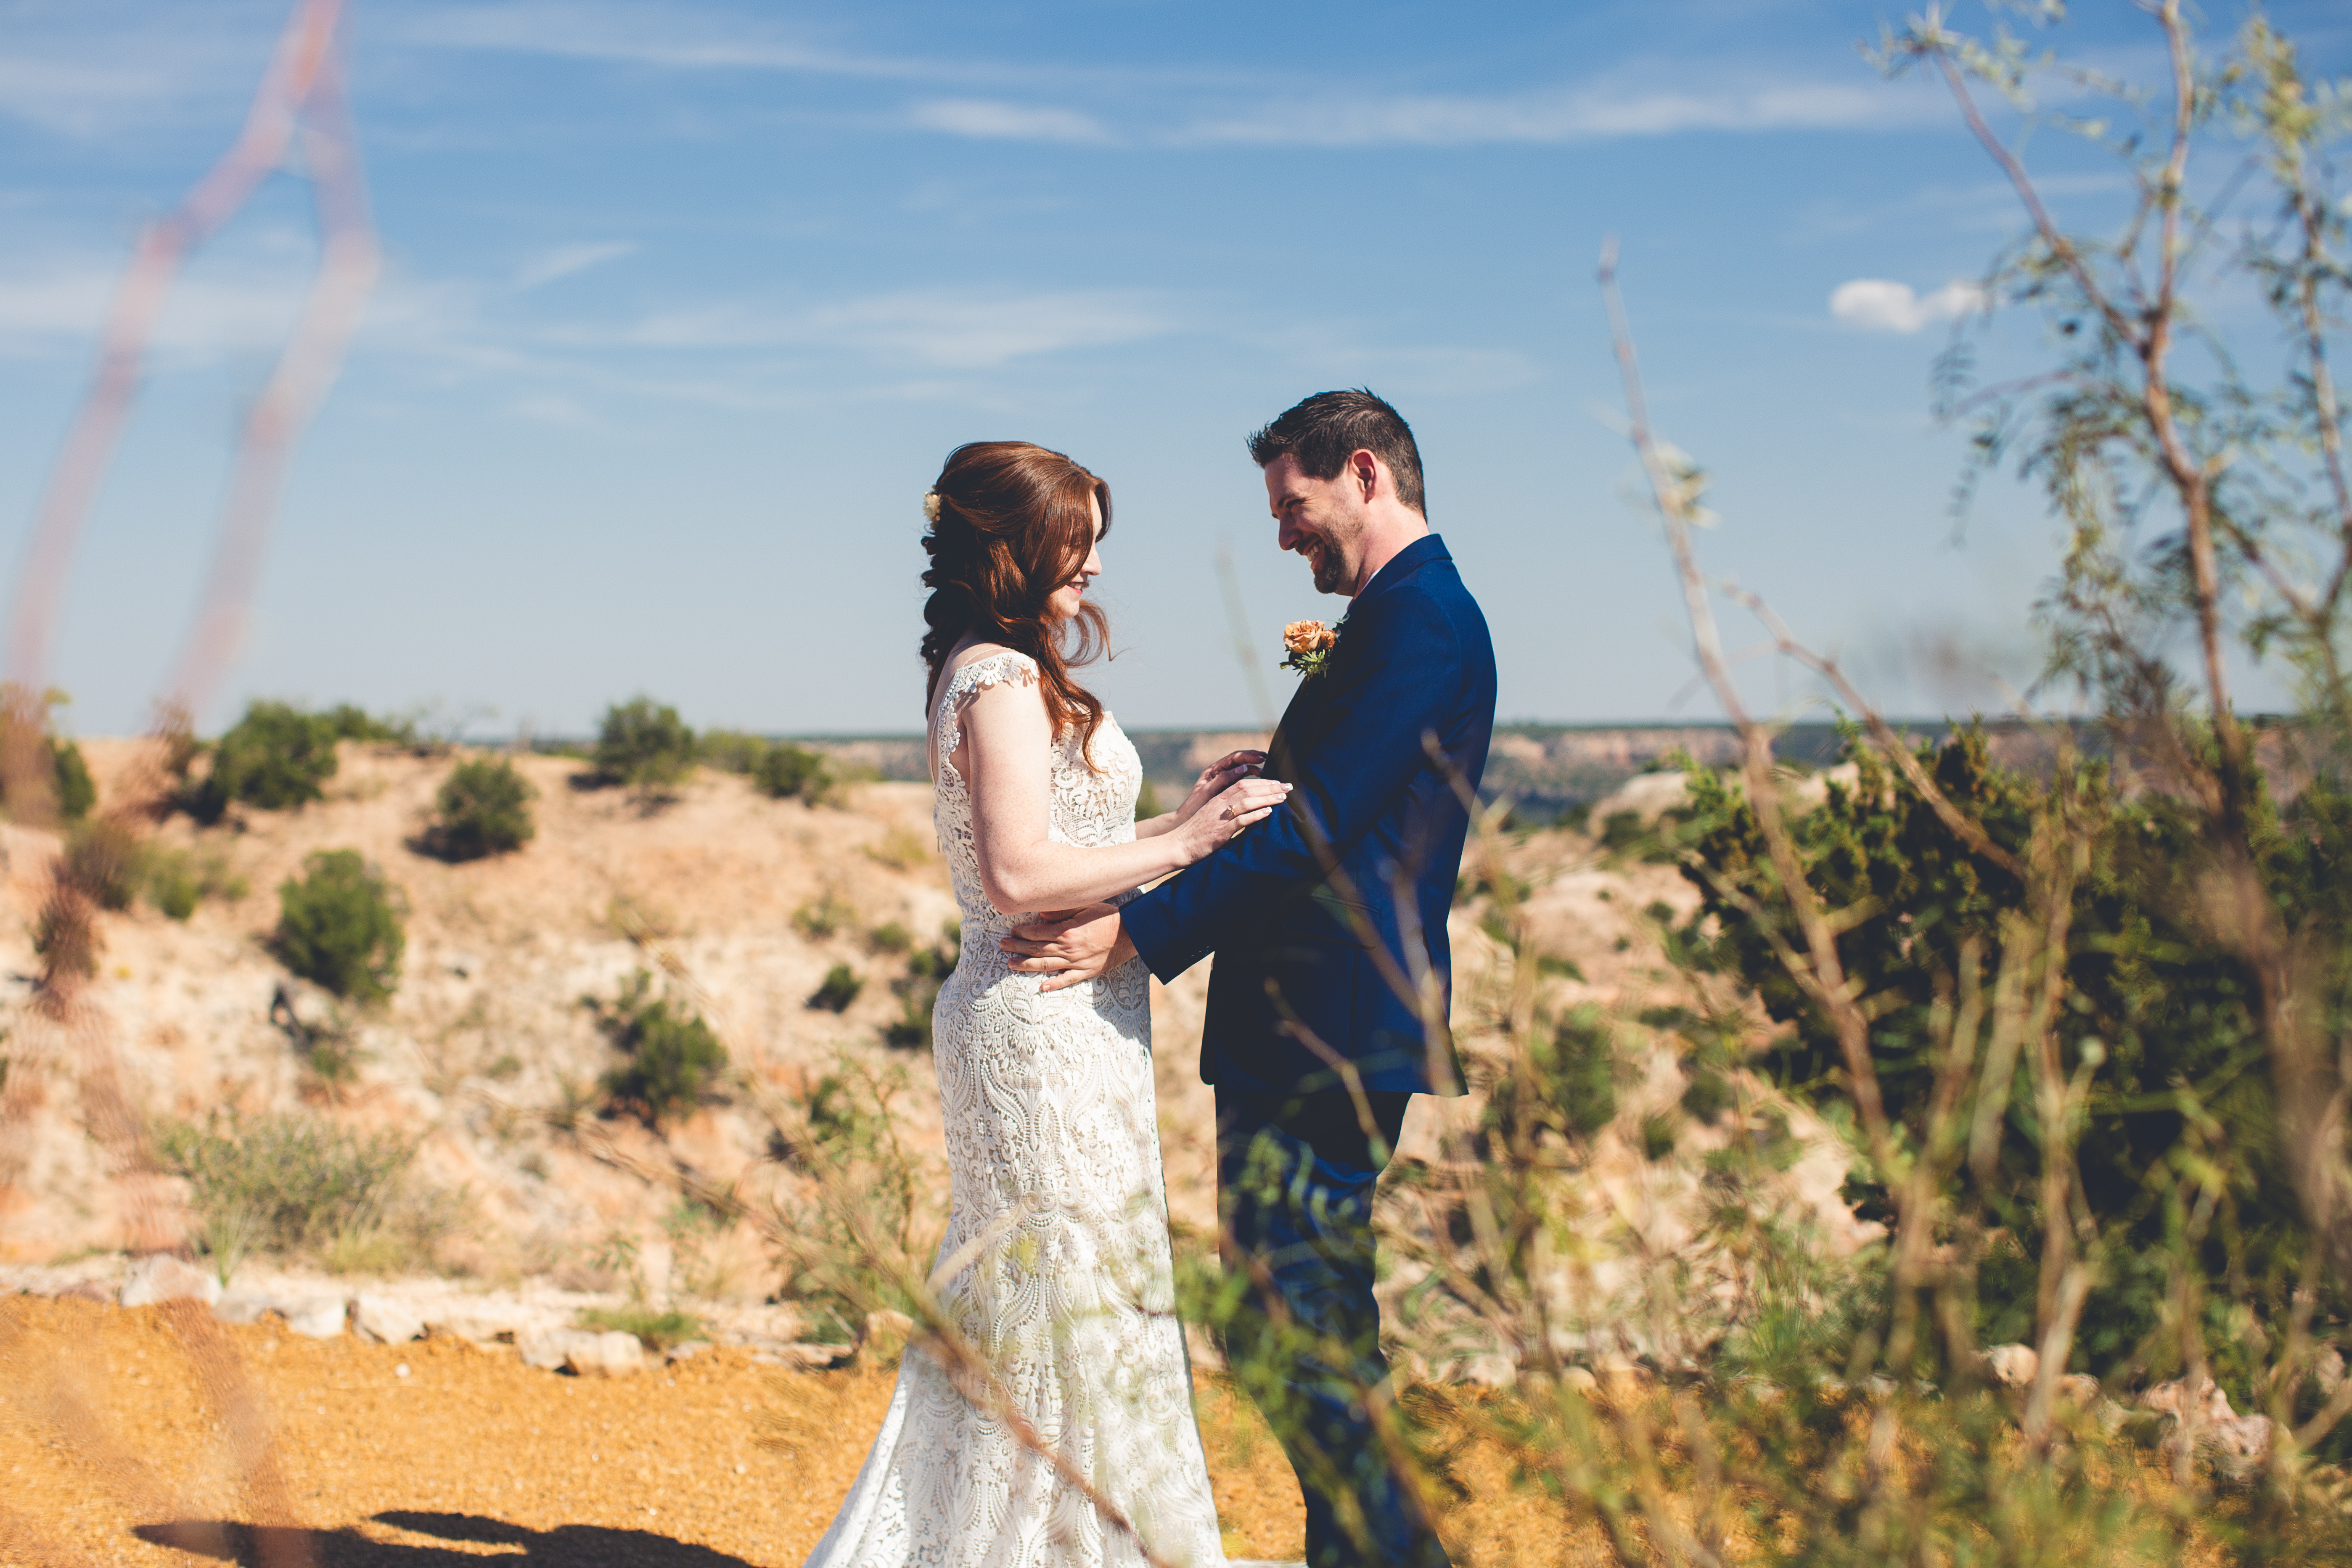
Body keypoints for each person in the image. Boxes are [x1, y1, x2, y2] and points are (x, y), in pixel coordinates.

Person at [1003, 391, 1495, 1568]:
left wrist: (1132, 933)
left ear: (1364, 473)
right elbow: (1312, 801)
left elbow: (1318, 830)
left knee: (1298, 1328)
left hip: (1329, 1029)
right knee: (1307, 1327)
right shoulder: (1392, 616)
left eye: (1294, 504)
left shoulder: (1419, 619)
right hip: (1305, 1024)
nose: (1283, 533)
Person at [802, 440, 1288, 1568]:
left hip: (1069, 1010)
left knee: (1065, 1294)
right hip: (1035, 1013)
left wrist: (1182, 815)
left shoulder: (1005, 668)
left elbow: (1061, 845)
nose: (1098, 569)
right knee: (1057, 1295)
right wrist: (1182, 838)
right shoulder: (999, 678)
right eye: (1080, 543)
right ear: (1012, 546)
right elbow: (1019, 874)